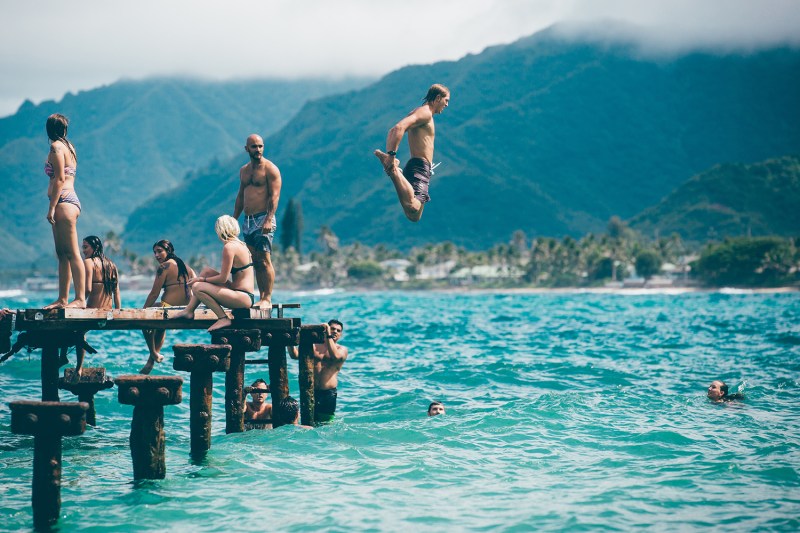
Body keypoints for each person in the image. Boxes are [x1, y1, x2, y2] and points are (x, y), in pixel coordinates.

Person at [374, 84, 450, 222]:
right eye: (446, 100)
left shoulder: (423, 113)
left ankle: (393, 169)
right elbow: (397, 128)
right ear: (438, 98)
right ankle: (393, 170)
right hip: (419, 165)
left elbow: (394, 130)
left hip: (422, 167)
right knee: (413, 207)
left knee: (414, 216)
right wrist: (391, 155)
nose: (447, 104)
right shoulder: (425, 113)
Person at [171, 215, 256, 332]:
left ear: (220, 230)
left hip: (242, 298)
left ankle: (223, 318)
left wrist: (201, 280)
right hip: (243, 294)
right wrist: (203, 277)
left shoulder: (229, 247)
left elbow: (223, 278)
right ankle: (189, 311)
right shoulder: (241, 244)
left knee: (197, 287)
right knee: (207, 271)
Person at [233, 134, 282, 310]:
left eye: (260, 146)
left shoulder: (271, 169)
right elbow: (241, 196)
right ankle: (258, 297)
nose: (258, 150)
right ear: (247, 149)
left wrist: (269, 218)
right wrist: (233, 219)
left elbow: (275, 196)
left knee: (264, 259)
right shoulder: (244, 170)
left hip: (263, 218)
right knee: (253, 260)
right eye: (254, 147)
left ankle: (266, 298)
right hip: (247, 220)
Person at [43, 114, 86, 309]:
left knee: (72, 252)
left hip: (63, 201)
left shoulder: (56, 148)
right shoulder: (69, 147)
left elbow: (60, 179)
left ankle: (79, 299)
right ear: (64, 130)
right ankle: (62, 299)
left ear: (49, 130)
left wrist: (51, 207)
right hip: (68, 201)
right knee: (62, 253)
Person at [141, 239, 196, 374]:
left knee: (144, 322)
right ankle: (151, 361)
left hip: (168, 307)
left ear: (168, 251)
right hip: (186, 309)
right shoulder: (186, 266)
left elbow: (154, 294)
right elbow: (196, 285)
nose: (156, 255)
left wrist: (142, 311)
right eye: (154, 252)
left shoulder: (164, 267)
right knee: (160, 329)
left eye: (160, 251)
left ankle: (153, 353)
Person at [75, 236, 121, 377]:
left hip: (93, 312)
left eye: (85, 247)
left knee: (75, 331)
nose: (83, 251)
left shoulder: (88, 262)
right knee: (78, 332)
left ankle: (78, 368)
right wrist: (118, 311)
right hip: (108, 312)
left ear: (94, 248)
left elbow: (88, 288)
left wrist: (78, 303)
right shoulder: (112, 264)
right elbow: (116, 291)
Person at [288, 319, 349, 423]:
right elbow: (295, 355)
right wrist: (290, 340)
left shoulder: (342, 350)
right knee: (308, 422)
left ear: (340, 335)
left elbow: (335, 356)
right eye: (332, 329)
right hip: (310, 391)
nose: (335, 332)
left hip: (328, 394)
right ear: (326, 330)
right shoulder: (313, 347)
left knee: (326, 424)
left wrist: (328, 335)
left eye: (338, 331)